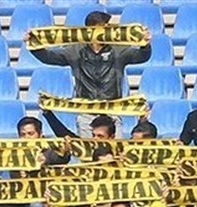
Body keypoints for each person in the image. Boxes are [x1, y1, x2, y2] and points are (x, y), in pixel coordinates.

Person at [28, 9, 152, 138]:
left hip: (112, 110)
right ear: (92, 29)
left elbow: (141, 57)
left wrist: (145, 45)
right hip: (86, 112)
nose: (110, 30)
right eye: (106, 27)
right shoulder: (75, 50)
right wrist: (34, 46)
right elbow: (49, 57)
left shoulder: (118, 49)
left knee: (115, 148)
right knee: (89, 149)